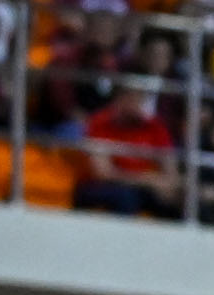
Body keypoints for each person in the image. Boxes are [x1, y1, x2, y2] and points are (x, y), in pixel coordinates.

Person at [76, 80, 179, 216]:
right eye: (133, 97)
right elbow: (103, 173)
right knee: (125, 196)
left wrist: (166, 185)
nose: (139, 103)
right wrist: (146, 180)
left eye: (141, 98)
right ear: (120, 99)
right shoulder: (100, 123)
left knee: (173, 199)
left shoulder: (155, 127)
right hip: (98, 187)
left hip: (141, 188)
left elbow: (171, 171)